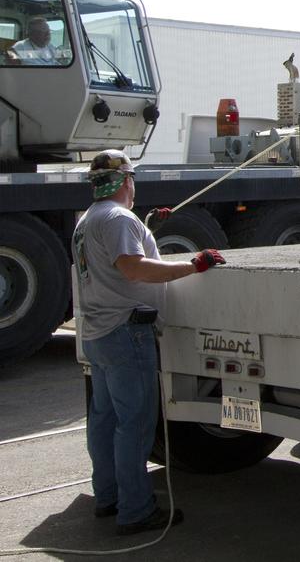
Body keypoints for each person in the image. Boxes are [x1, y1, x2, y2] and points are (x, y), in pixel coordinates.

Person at [73, 149, 225, 535]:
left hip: (97, 332)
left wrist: (145, 227)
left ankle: (107, 497)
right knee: (135, 425)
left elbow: (112, 261)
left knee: (104, 421)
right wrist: (194, 265)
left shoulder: (89, 219)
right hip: (126, 333)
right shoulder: (119, 219)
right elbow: (133, 267)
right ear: (127, 181)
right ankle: (136, 511)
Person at [4, 16, 68, 65]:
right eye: (43, 31)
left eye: (48, 31)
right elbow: (12, 72)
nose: (48, 34)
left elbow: (60, 59)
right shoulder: (18, 47)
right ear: (32, 33)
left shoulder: (50, 46)